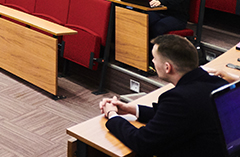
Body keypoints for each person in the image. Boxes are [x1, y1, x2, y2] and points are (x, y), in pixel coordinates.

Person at [98, 35, 228, 157]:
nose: (153, 61)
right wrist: (130, 109)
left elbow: (143, 142)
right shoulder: (216, 82)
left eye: (154, 58)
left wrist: (112, 115)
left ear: (167, 67)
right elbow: (172, 117)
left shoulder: (179, 99)